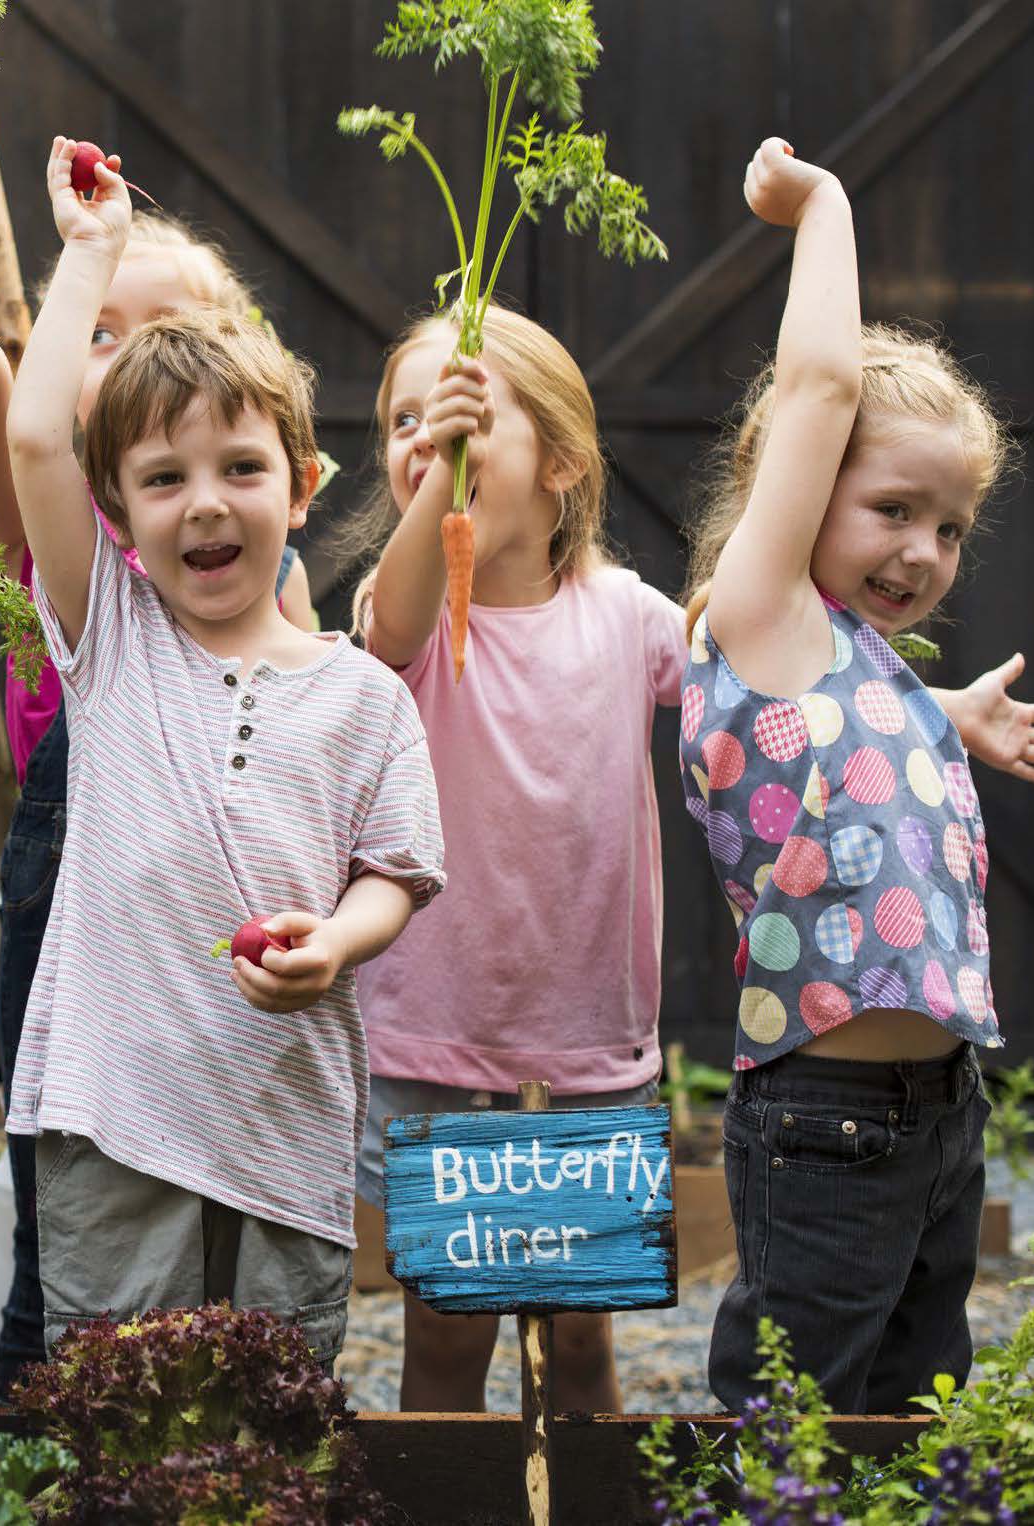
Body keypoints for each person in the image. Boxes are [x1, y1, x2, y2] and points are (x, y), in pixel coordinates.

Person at [0, 144, 308, 1390]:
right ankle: (56, 1409)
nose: (131, 354)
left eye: (170, 328)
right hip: (84, 868)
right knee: (76, 1190)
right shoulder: (75, 530)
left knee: (220, 1187)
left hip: (224, 883)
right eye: (99, 332)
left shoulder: (256, 551)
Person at [2, 138, 445, 1365]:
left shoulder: (361, 694)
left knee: (271, 1411)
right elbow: (35, 438)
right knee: (113, 1404)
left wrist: (336, 943)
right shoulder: (111, 640)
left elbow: (396, 870)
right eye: (162, 477)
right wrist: (88, 254)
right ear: (121, 509)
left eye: (240, 468)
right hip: (113, 1116)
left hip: (280, 1121)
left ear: (300, 486)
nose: (204, 501)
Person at [680, 138, 1034, 1412]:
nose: (922, 549)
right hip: (822, 1107)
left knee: (919, 1398)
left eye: (950, 526)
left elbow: (848, 749)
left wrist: (939, 717)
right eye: (892, 508)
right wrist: (823, 209)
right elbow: (811, 386)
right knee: (794, 1402)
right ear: (791, 497)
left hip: (936, 1102)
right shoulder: (758, 614)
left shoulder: (856, 667)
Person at [353, 305, 687, 1413]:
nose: (424, 437)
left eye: (459, 416)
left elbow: (765, 684)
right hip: (437, 1051)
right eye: (403, 419)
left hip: (587, 1051)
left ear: (558, 462)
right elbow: (392, 620)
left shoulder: (628, 618)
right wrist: (437, 478)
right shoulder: (403, 620)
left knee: (581, 1353)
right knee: (445, 1353)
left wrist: (933, 711)